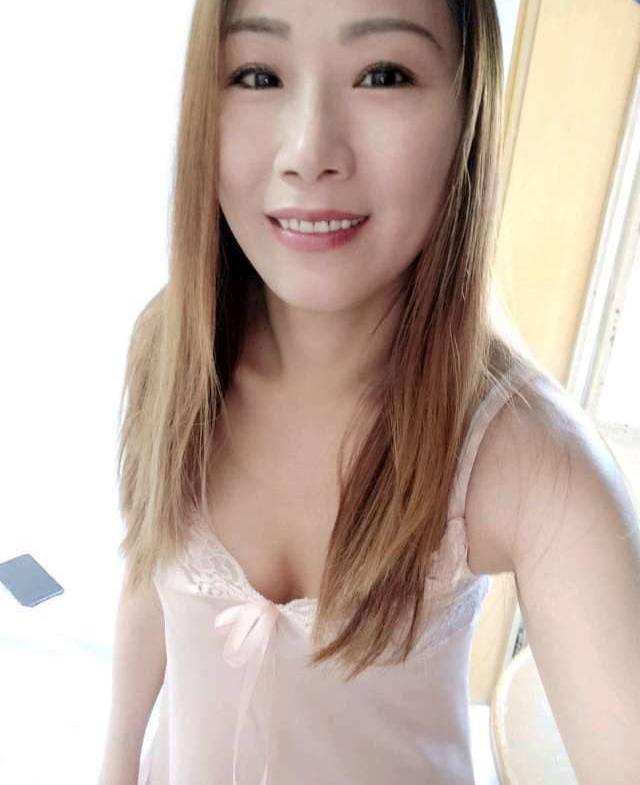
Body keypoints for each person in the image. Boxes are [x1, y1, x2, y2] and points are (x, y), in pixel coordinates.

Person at [97, 2, 640, 784]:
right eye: (258, 74)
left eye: (383, 74)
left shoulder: (529, 460)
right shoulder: (171, 350)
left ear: (468, 109)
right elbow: (149, 583)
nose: (308, 151)